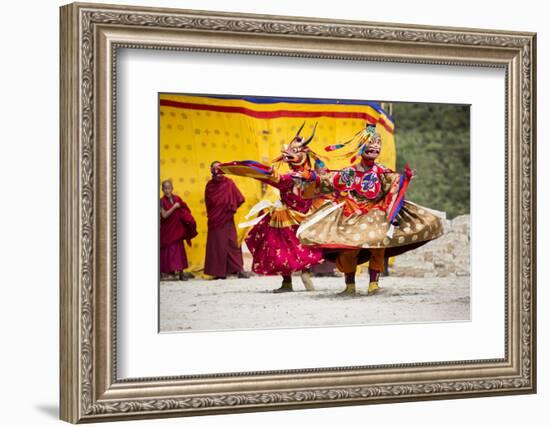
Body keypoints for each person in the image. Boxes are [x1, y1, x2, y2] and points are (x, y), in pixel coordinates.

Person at [296, 122, 444, 295]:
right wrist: (311, 175)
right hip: (352, 213)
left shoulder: (382, 171)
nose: (374, 147)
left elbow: (393, 186)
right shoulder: (349, 172)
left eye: (377, 145)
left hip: (376, 213)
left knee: (378, 245)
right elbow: (328, 181)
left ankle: (374, 284)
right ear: (360, 148)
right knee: (349, 249)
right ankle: (350, 286)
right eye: (370, 144)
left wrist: (403, 179)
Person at [216, 123, 325, 293]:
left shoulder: (299, 177)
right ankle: (299, 276)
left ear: (304, 155)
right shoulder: (310, 176)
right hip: (300, 217)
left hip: (291, 218)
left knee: (282, 247)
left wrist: (238, 169)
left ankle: (293, 279)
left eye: (296, 152)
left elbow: (274, 178)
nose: (289, 154)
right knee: (296, 246)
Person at [204, 162, 250, 279]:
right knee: (217, 246)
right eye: (215, 169)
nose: (218, 171)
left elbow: (240, 198)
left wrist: (230, 208)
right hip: (215, 220)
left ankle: (238, 269)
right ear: (211, 170)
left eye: (220, 169)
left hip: (227, 219)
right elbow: (210, 203)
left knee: (232, 244)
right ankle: (219, 272)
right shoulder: (210, 186)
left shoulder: (229, 183)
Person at [159, 180, 197, 281]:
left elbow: (185, 210)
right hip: (167, 230)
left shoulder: (177, 198)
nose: (167, 190)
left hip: (177, 229)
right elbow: (164, 215)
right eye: (165, 188)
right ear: (162, 190)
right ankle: (167, 272)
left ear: (172, 189)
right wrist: (174, 207)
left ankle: (181, 272)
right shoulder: (161, 201)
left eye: (169, 188)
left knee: (179, 251)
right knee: (168, 251)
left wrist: (188, 221)